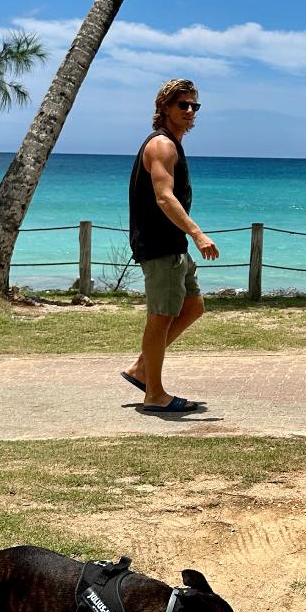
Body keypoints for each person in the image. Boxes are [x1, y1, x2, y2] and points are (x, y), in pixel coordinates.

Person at [121, 78, 218, 413]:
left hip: (173, 245)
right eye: (183, 105)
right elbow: (164, 198)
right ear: (164, 107)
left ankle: (141, 368)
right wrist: (197, 233)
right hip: (160, 245)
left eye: (195, 106)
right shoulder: (162, 145)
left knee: (193, 307)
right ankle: (155, 395)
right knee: (160, 316)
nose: (190, 111)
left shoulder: (172, 144)